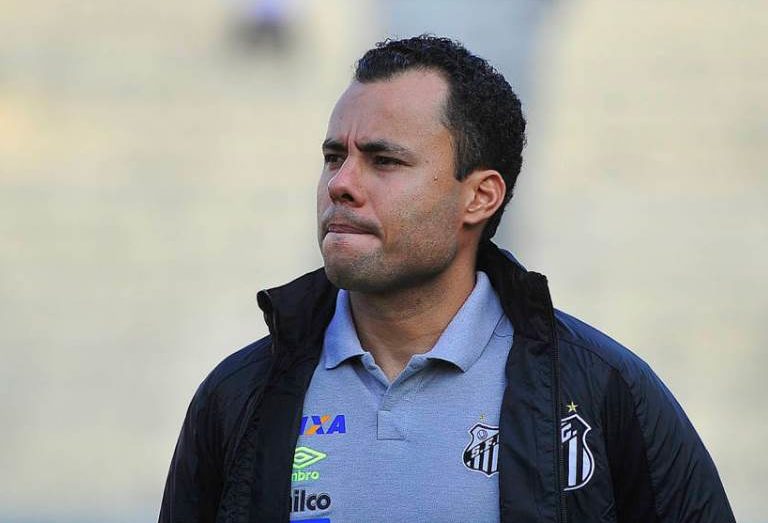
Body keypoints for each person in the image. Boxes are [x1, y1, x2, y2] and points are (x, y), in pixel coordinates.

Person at [159, 35, 735, 522]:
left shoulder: (601, 393)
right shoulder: (238, 395)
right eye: (335, 157)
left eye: (384, 161)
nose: (341, 184)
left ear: (480, 197)